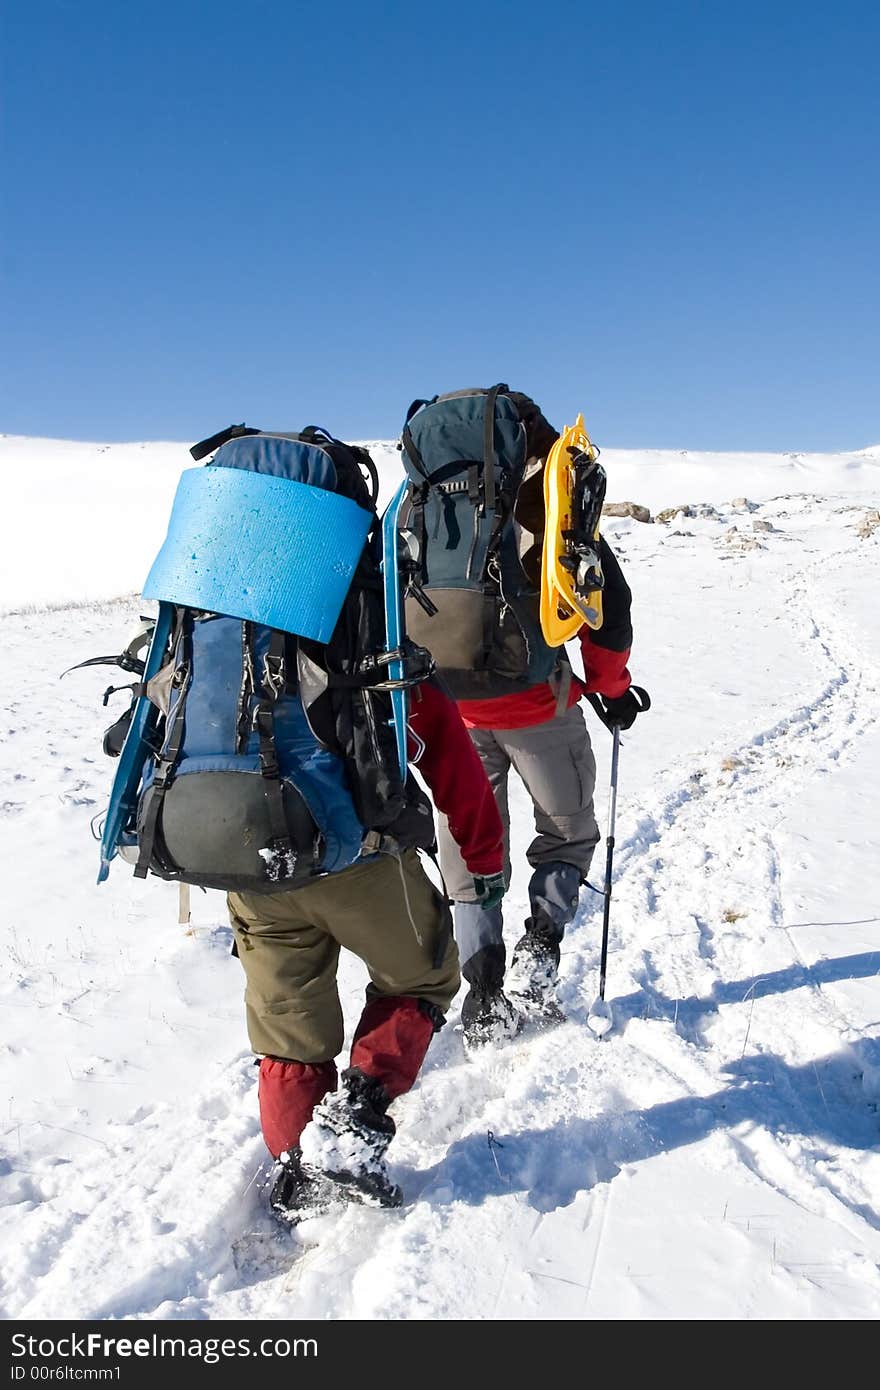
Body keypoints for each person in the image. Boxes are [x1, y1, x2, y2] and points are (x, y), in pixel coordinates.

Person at [399, 387, 648, 1048]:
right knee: (567, 833)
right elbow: (606, 605)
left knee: (470, 843)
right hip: (540, 706)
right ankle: (541, 946)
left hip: (447, 713)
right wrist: (611, 688)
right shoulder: (549, 503)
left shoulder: (413, 509)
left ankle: (482, 993)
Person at [228, 667, 504, 1219]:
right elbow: (455, 767)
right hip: (358, 861)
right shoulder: (376, 648)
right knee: (423, 976)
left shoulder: (221, 644)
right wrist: (484, 859)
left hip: (250, 870)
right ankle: (355, 1115)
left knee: (288, 1028)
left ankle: (295, 1174)